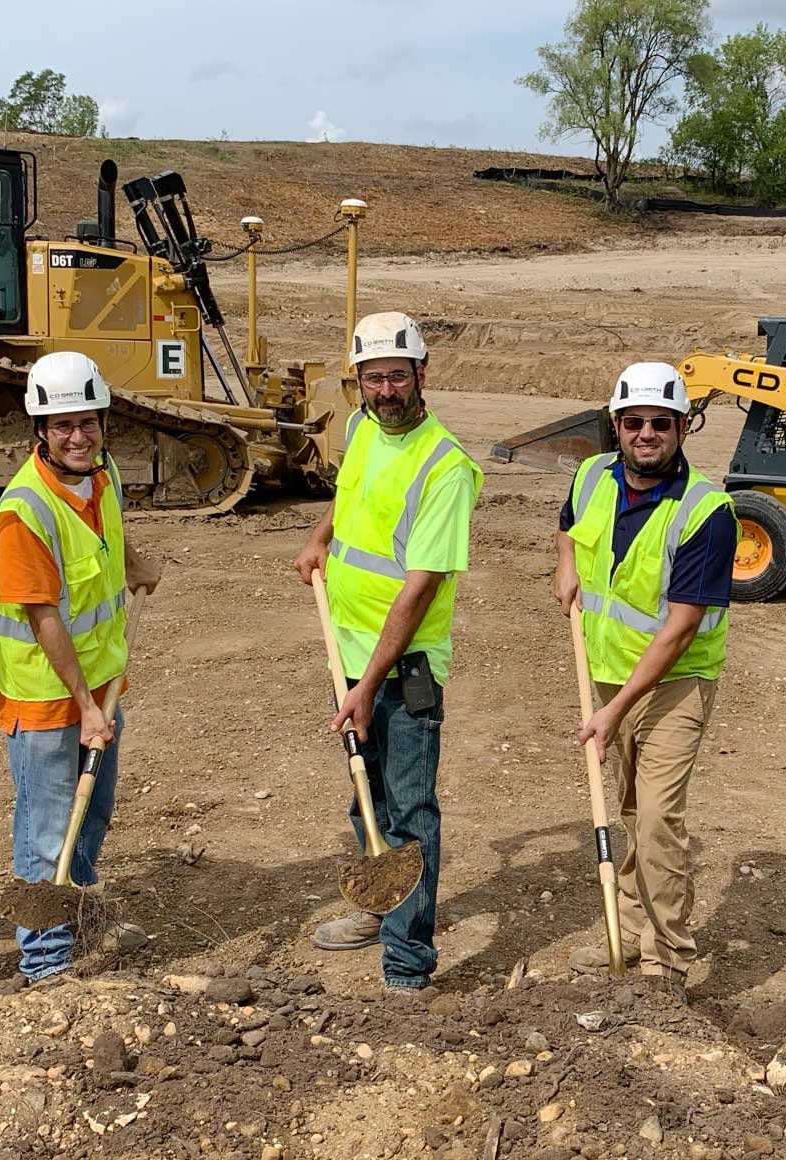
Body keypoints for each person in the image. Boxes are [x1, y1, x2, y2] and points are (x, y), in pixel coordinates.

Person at [294, 311, 482, 995]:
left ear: (421, 375)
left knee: (408, 813)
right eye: (372, 379)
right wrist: (321, 533)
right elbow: (353, 498)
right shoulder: (362, 430)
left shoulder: (446, 468)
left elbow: (420, 589)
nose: (384, 391)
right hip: (345, 653)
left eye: (396, 376)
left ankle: (407, 963)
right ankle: (378, 910)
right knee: (363, 797)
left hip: (401, 674)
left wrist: (366, 687)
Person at [555, 362, 737, 1004]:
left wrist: (615, 712)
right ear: (617, 425)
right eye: (634, 422)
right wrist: (567, 564)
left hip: (674, 682)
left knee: (658, 816)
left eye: (661, 423)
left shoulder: (707, 513)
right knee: (630, 809)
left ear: (683, 427)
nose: (646, 434)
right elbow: (571, 523)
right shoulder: (592, 474)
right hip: (606, 670)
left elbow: (681, 626)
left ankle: (669, 959)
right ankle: (628, 934)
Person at [0, 351, 161, 984]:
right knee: (47, 826)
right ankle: (45, 961)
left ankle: (79, 913)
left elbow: (107, 535)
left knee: (94, 812)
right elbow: (45, 620)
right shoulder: (24, 512)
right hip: (48, 699)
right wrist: (85, 707)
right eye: (62, 425)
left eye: (87, 422)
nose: (78, 436)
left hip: (101, 687)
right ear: (40, 430)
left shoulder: (102, 473)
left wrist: (133, 561)